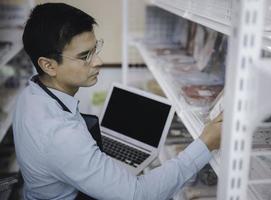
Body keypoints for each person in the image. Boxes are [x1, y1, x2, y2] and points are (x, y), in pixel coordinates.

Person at [13, 3, 222, 200]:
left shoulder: (30, 95)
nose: (98, 62)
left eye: (95, 49)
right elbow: (138, 195)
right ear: (48, 65)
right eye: (85, 56)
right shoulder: (60, 135)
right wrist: (205, 144)